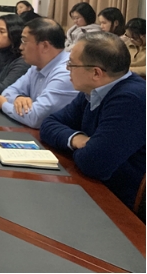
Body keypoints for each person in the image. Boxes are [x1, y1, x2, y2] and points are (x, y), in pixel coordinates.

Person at [40, 32, 145, 212]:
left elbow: (94, 163)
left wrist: (86, 149)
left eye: (71, 64)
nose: (67, 69)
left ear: (96, 73)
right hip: (92, 186)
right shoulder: (93, 90)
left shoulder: (131, 99)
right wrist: (76, 139)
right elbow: (49, 124)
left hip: (117, 203)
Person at [0, 18, 77, 128]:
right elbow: (8, 91)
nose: (20, 47)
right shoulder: (37, 66)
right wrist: (18, 98)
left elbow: (36, 117)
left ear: (45, 46)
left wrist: (4, 105)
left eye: (24, 41)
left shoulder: (66, 72)